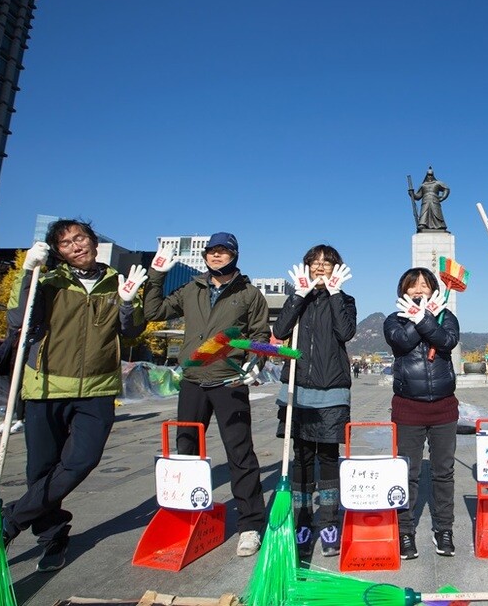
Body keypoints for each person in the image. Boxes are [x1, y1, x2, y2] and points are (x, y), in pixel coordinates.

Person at [1, 219, 148, 572]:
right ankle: (53, 539)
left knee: (82, 461)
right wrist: (27, 273)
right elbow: (18, 320)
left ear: (93, 241)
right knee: (41, 470)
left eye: (80, 237)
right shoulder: (48, 280)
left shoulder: (118, 282)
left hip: (97, 389)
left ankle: (13, 518)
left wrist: (127, 302)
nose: (75, 245)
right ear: (58, 251)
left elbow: (132, 332)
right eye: (65, 243)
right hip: (46, 385)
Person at [144, 232, 270, 557]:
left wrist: (255, 363)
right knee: (185, 449)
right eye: (212, 251)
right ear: (206, 256)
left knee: (240, 454)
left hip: (229, 380)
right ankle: (186, 516)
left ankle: (250, 525)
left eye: (223, 251)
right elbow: (153, 311)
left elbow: (258, 336)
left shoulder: (249, 294)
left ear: (234, 255)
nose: (216, 256)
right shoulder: (192, 289)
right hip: (192, 379)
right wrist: (156, 273)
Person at [274, 245, 356, 557]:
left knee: (328, 457)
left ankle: (329, 522)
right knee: (302, 457)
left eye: (327, 262)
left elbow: (345, 333)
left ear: (337, 268)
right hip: (298, 388)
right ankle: (303, 521)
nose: (320, 266)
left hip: (332, 390)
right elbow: (280, 330)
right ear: (306, 267)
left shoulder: (346, 300)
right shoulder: (297, 298)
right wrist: (298, 295)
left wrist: (335, 295)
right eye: (315, 262)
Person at [384, 268, 460, 559]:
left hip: (444, 406)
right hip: (408, 406)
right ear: (403, 290)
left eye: (424, 284)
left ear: (433, 290)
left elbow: (447, 341)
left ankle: (444, 528)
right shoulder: (393, 319)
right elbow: (401, 342)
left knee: (444, 472)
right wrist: (418, 319)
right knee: (407, 473)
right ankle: (405, 530)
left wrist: (427, 318)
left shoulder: (446, 316)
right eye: (412, 285)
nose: (418, 289)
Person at [0, 328, 24, 434]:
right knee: (12, 395)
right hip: (12, 369)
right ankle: (7, 421)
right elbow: (2, 350)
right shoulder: (14, 335)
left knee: (19, 395)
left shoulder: (34, 334)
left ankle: (20, 421)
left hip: (25, 370)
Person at [409, 166, 450, 232]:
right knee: (424, 214)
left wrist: (442, 197)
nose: (429, 176)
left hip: (435, 201)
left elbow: (446, 189)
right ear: (426, 175)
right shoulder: (423, 185)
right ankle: (423, 224)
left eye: (431, 175)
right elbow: (418, 196)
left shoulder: (437, 183)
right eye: (428, 175)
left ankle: (440, 226)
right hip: (425, 201)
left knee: (437, 214)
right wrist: (412, 193)